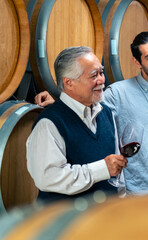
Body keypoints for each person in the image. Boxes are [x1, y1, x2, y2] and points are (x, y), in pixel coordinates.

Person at [34, 32, 148, 196]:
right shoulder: (117, 94)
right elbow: (82, 107)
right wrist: (58, 103)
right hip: (133, 198)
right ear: (137, 62)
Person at [27, 46, 128, 202]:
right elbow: (48, 177)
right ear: (69, 83)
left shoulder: (106, 113)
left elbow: (116, 173)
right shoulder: (49, 123)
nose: (102, 80)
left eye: (101, 72)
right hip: (68, 223)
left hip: (105, 219)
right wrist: (101, 169)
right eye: (94, 75)